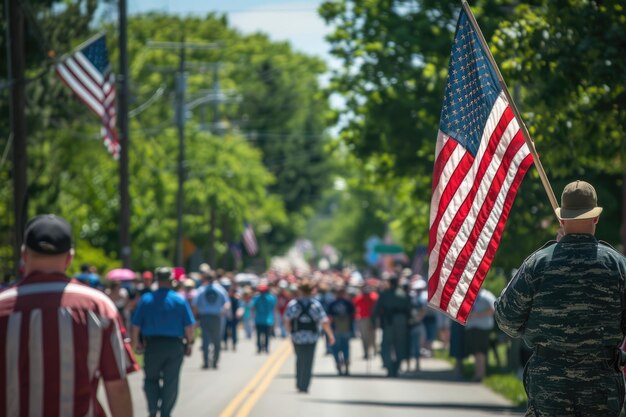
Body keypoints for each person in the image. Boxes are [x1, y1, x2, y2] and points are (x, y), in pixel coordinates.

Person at [495, 180, 626, 416]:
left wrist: (534, 331)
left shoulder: (538, 263)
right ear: (596, 218)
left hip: (548, 384)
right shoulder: (618, 266)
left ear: (562, 219)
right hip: (600, 384)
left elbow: (506, 319)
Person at [0, 214, 138, 417]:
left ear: (24, 255)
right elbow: (116, 385)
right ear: (69, 258)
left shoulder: (3, 306)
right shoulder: (98, 307)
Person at [131, 267, 195, 417]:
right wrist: (190, 343)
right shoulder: (179, 300)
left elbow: (135, 325)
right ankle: (165, 413)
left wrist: (136, 343)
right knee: (170, 382)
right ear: (172, 281)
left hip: (152, 345)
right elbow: (189, 326)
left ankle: (153, 408)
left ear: (157, 280)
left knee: (150, 379)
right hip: (174, 346)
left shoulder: (146, 299)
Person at [284, 279, 335, 393]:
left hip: (297, 337)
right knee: (309, 360)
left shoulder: (293, 304)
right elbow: (324, 321)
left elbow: (287, 319)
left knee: (299, 359)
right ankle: (305, 385)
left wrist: (289, 332)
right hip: (312, 337)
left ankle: (299, 382)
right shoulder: (315, 305)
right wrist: (330, 335)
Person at [372, 275, 412, 377]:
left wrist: (373, 322)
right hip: (401, 322)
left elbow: (376, 310)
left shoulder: (384, 294)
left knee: (385, 346)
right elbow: (409, 310)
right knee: (400, 346)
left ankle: (389, 368)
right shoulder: (403, 294)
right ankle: (397, 367)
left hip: (388, 322)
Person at [192, 270, 229, 369]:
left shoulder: (201, 290)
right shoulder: (220, 289)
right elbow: (227, 304)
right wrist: (222, 311)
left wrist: (196, 317)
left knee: (205, 340)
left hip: (205, 317)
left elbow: (195, 304)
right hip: (216, 317)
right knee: (216, 341)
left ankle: (206, 362)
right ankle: (215, 362)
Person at [465, 288, 496, 382]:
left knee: (480, 352)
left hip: (482, 328)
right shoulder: (470, 295)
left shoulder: (487, 295)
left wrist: (477, 315)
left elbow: (493, 308)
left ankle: (480, 375)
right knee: (476, 352)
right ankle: (478, 373)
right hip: (472, 328)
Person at [327, 286, 355, 375]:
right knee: (345, 347)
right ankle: (345, 363)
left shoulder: (332, 304)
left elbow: (329, 317)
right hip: (346, 328)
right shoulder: (348, 303)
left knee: (336, 348)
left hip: (336, 328)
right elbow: (353, 316)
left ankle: (338, 363)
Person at [353, 283, 379, 360]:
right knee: (364, 337)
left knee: (373, 336)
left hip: (372, 318)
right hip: (363, 319)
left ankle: (374, 351)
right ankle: (366, 352)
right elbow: (354, 305)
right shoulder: (359, 297)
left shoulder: (374, 296)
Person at [252, 282, 277, 353]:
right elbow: (273, 307)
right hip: (268, 319)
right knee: (267, 335)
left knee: (259, 335)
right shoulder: (271, 298)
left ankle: (259, 348)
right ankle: (266, 348)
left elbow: (253, 307)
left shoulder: (256, 298)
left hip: (259, 319)